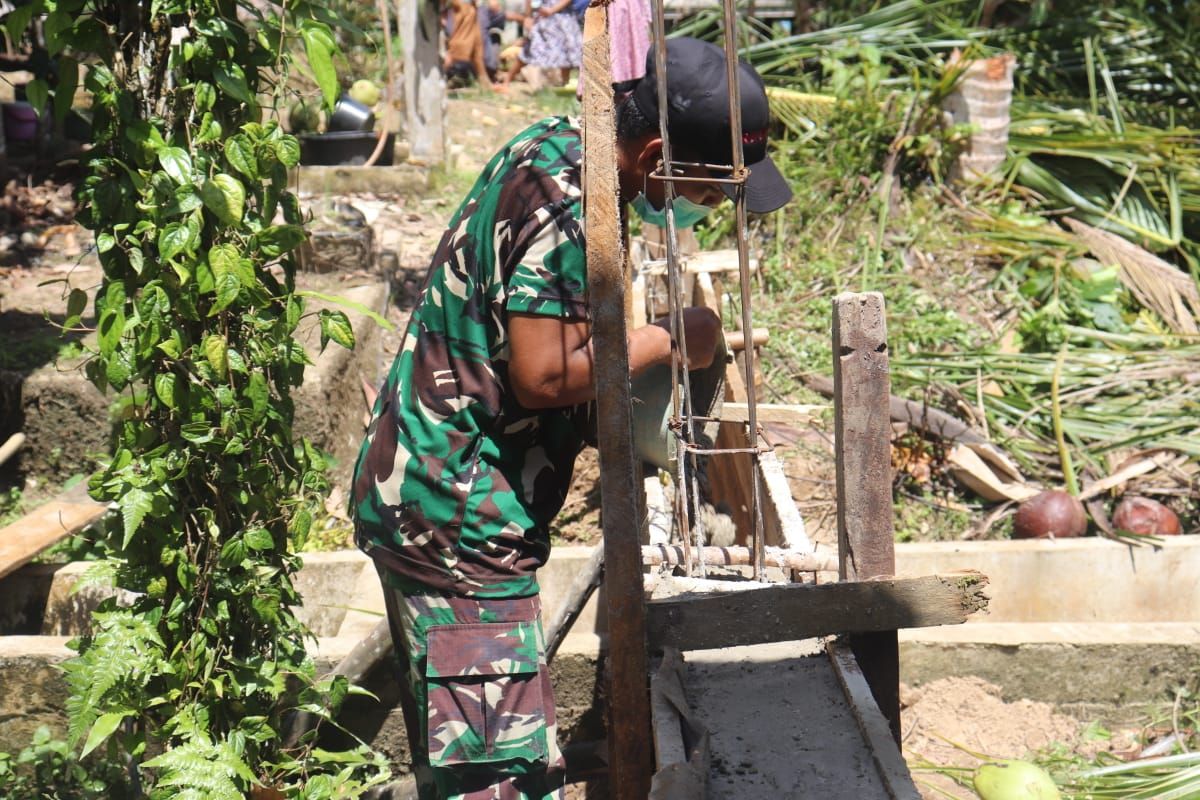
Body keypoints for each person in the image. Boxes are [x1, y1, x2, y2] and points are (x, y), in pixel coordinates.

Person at [350, 36, 792, 800]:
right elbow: (545, 370)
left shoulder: (564, 149)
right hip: (459, 514)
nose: (713, 206)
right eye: (713, 188)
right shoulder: (565, 200)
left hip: (436, 493)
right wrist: (671, 340)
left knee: (470, 765)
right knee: (501, 779)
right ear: (654, 152)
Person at [499, 0, 582, 88]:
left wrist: (552, 10)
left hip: (563, 18)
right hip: (544, 19)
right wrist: (528, 17)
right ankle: (507, 81)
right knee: (529, 51)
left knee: (565, 54)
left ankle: (565, 84)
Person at [443, 0, 493, 90]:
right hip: (464, 7)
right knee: (457, 48)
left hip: (471, 8)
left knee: (477, 50)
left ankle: (485, 81)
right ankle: (437, 78)